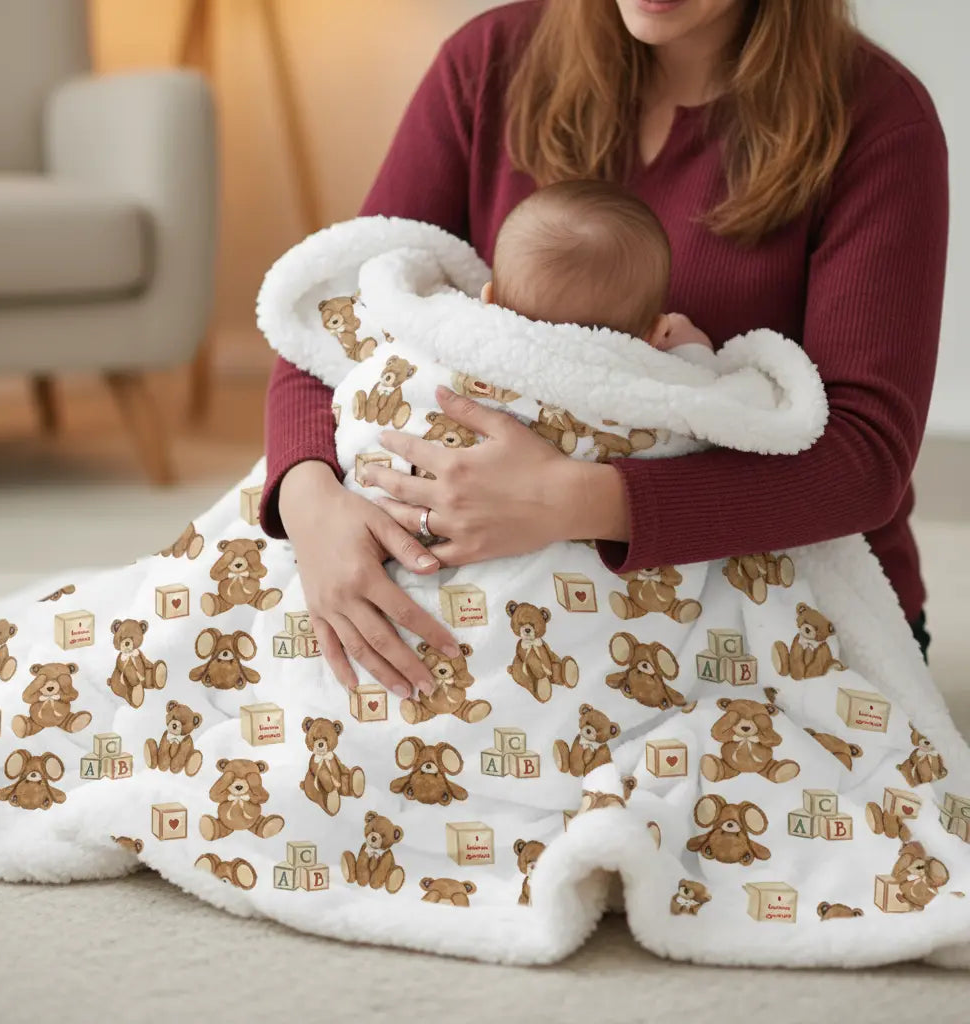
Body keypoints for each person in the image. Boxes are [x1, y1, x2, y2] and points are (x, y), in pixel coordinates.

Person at [261, 0, 948, 697]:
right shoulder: (490, 61)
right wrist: (310, 503)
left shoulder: (878, 120)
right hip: (487, 577)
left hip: (778, 599)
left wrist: (576, 501)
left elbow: (866, 459)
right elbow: (337, 316)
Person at [486, 178, 715, 362]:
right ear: (654, 334)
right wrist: (692, 348)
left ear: (489, 301)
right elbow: (704, 398)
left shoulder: (478, 356)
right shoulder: (649, 389)